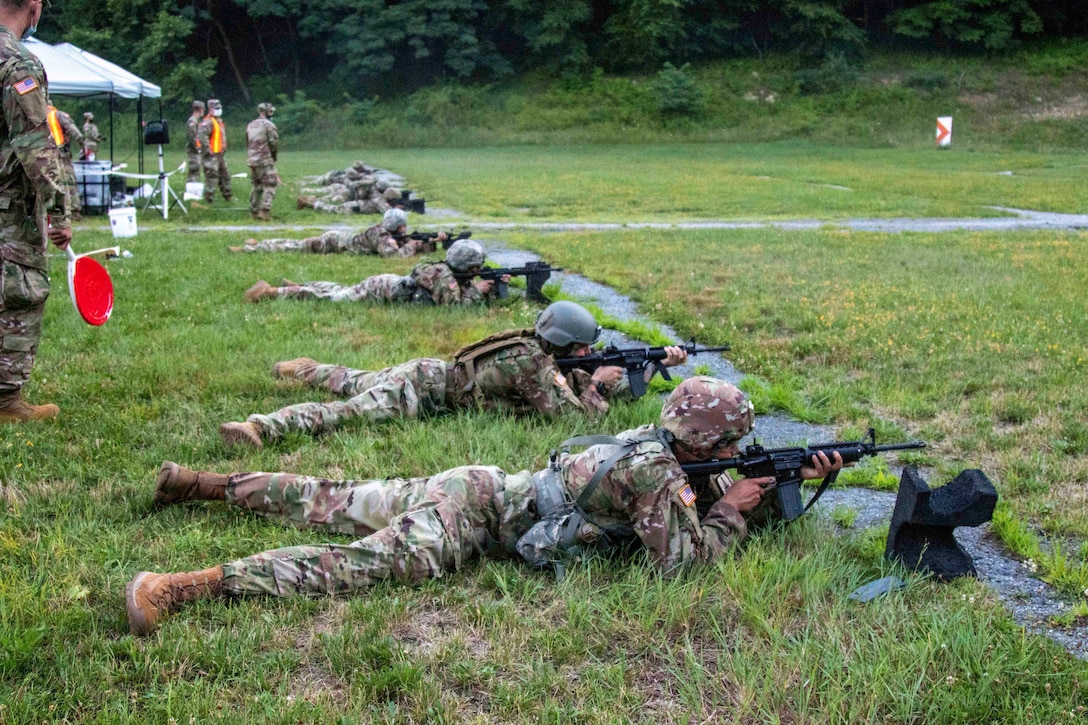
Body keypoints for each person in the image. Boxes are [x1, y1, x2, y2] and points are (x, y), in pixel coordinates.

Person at [125, 377, 845, 635]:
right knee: (353, 564)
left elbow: (700, 489)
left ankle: (203, 482)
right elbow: (683, 565)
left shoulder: (650, 442)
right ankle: (189, 585)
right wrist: (736, 510)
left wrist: (788, 481)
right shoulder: (657, 477)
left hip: (479, 480)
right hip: (469, 517)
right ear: (712, 438)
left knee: (331, 498)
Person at [217, 300, 688, 448]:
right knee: (347, 411)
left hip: (426, 371)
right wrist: (602, 386)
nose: (587, 354)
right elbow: (571, 422)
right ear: (563, 345)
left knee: (354, 378)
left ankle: (306, 368)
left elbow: (577, 382)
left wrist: (653, 366)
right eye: (582, 348)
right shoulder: (534, 364)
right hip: (420, 391)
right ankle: (262, 426)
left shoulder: (535, 344)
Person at [0, 0, 76, 422]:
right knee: (19, 292)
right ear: (33, 7)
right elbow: (35, 148)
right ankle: (6, 401)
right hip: (9, 208)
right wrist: (59, 211)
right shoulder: (17, 63)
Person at [243, 239, 509, 305]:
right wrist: (478, 290)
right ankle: (271, 292)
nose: (477, 271)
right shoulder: (445, 278)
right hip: (380, 291)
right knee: (334, 298)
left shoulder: (445, 270)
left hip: (386, 283)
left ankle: (301, 283)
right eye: (474, 267)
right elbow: (455, 308)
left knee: (339, 288)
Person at [231, 207, 429, 257]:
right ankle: (250, 248)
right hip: (333, 242)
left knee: (295, 243)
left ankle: (256, 244)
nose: (405, 229)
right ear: (397, 225)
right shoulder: (381, 236)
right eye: (403, 225)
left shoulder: (384, 232)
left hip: (338, 237)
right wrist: (412, 246)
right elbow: (392, 256)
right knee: (295, 245)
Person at [46, 105, 81, 221]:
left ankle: (52, 211)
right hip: (61, 155)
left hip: (42, 157)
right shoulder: (56, 115)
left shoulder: (34, 115)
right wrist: (82, 142)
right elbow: (73, 130)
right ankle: (74, 212)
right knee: (68, 182)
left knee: (48, 184)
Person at [245, 102, 278, 222]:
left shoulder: (250, 125)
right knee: (270, 184)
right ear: (266, 112)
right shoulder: (269, 125)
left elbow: (247, 142)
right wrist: (273, 157)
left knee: (257, 185)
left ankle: (254, 210)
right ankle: (264, 211)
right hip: (264, 159)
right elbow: (273, 143)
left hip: (252, 159)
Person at [197, 99, 231, 203]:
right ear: (210, 110)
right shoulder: (207, 122)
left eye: (220, 108)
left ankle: (228, 196)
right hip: (211, 155)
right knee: (212, 177)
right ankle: (209, 199)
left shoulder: (219, 121)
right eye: (216, 108)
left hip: (220, 154)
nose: (219, 110)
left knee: (225, 176)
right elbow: (202, 136)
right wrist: (208, 150)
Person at [185, 100, 204, 184]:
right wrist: (198, 148)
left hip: (195, 150)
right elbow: (193, 136)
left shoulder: (195, 121)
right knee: (194, 171)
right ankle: (191, 188)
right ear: (200, 110)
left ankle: (193, 188)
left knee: (196, 171)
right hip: (194, 150)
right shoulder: (193, 121)